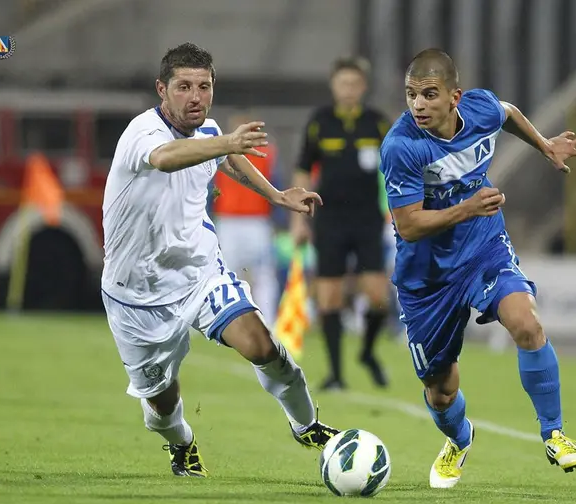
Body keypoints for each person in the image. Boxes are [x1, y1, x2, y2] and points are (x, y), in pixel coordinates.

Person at [100, 43, 338, 478]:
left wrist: (276, 196)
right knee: (161, 404)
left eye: (204, 86)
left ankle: (306, 425)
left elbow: (228, 158)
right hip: (136, 294)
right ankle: (182, 442)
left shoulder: (209, 131)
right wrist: (226, 141)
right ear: (161, 90)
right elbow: (165, 159)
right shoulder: (142, 133)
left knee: (263, 346)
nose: (196, 97)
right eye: (184, 87)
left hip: (199, 273)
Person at [380, 49, 576, 489]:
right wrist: (468, 207)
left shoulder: (480, 109)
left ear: (455, 97)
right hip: (428, 276)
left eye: (429, 94)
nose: (418, 104)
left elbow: (507, 112)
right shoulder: (402, 146)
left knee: (527, 324)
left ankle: (554, 433)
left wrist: (544, 145)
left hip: (483, 248)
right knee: (441, 390)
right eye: (411, 95)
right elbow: (409, 225)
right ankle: (459, 439)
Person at [291, 56, 390, 391]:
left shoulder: (378, 123)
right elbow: (303, 169)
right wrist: (299, 219)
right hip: (329, 219)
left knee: (378, 296)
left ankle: (367, 351)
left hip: (367, 219)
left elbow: (398, 166)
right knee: (329, 297)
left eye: (354, 83)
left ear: (363, 87)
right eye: (343, 83)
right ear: (333, 86)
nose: (348, 89)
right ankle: (336, 374)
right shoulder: (320, 122)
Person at [213, 111, 282, 324]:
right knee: (227, 272)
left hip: (256, 221)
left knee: (263, 274)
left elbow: (276, 185)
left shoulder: (266, 154)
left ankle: (268, 321)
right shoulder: (220, 152)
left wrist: (277, 221)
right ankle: (229, 321)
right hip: (228, 221)